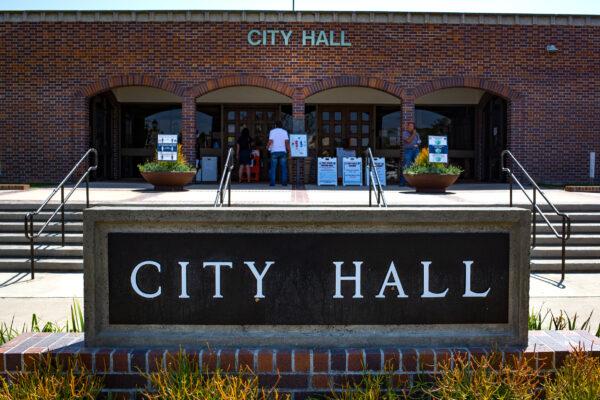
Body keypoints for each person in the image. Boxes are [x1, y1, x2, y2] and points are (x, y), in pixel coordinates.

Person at [267, 120, 290, 187]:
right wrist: (289, 151)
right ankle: (284, 183)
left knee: (273, 168)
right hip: (283, 151)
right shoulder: (285, 132)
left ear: (275, 125)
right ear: (281, 125)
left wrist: (267, 147)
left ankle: (272, 183)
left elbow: (270, 141)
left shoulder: (272, 131)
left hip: (274, 151)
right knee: (284, 168)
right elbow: (286, 142)